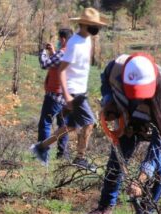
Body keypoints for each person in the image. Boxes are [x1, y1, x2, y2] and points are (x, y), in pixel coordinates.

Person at [80, 52, 161, 214]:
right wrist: (108, 101)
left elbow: (159, 145)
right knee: (117, 159)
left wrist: (141, 178)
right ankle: (105, 210)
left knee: (159, 171)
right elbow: (106, 82)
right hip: (130, 116)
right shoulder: (115, 68)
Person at [32, 7, 106, 172]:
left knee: (70, 126)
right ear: (84, 24)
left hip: (80, 90)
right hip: (74, 92)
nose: (97, 28)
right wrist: (67, 96)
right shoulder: (74, 43)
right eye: (94, 24)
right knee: (90, 123)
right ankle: (80, 158)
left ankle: (41, 147)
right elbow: (61, 70)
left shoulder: (87, 40)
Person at [29, 28, 74, 165]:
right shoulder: (70, 53)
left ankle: (43, 155)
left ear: (63, 40)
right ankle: (62, 154)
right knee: (63, 125)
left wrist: (43, 51)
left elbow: (45, 64)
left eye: (60, 40)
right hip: (66, 96)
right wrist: (52, 52)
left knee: (45, 123)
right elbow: (57, 64)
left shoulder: (63, 53)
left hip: (55, 94)